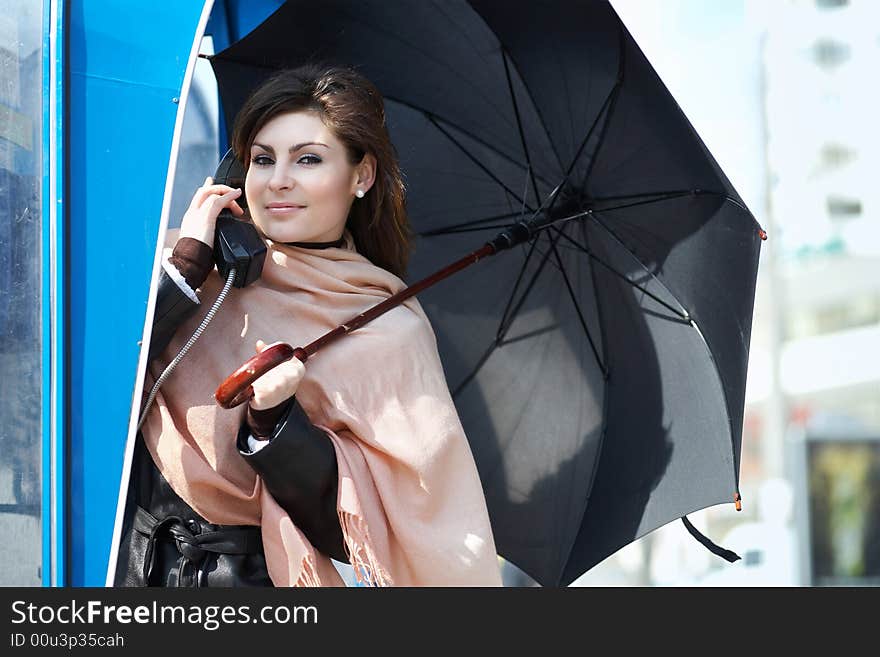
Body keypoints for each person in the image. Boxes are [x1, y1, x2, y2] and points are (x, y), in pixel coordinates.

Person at [113, 64, 502, 587]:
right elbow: (84, 388)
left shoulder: (385, 327)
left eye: (309, 160)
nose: (278, 181)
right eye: (262, 159)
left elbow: (360, 530)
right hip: (113, 568)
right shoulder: (192, 269)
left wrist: (275, 424)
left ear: (361, 176)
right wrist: (183, 270)